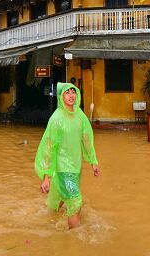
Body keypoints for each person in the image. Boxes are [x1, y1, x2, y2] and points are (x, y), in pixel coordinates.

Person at [34, 82, 99, 229]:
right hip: (63, 169)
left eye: (73, 92)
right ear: (61, 96)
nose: (71, 95)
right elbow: (49, 148)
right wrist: (46, 176)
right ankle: (74, 239)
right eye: (67, 92)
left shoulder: (80, 116)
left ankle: (48, 223)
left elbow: (86, 139)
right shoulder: (56, 119)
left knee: (60, 199)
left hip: (76, 167)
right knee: (76, 201)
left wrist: (93, 162)